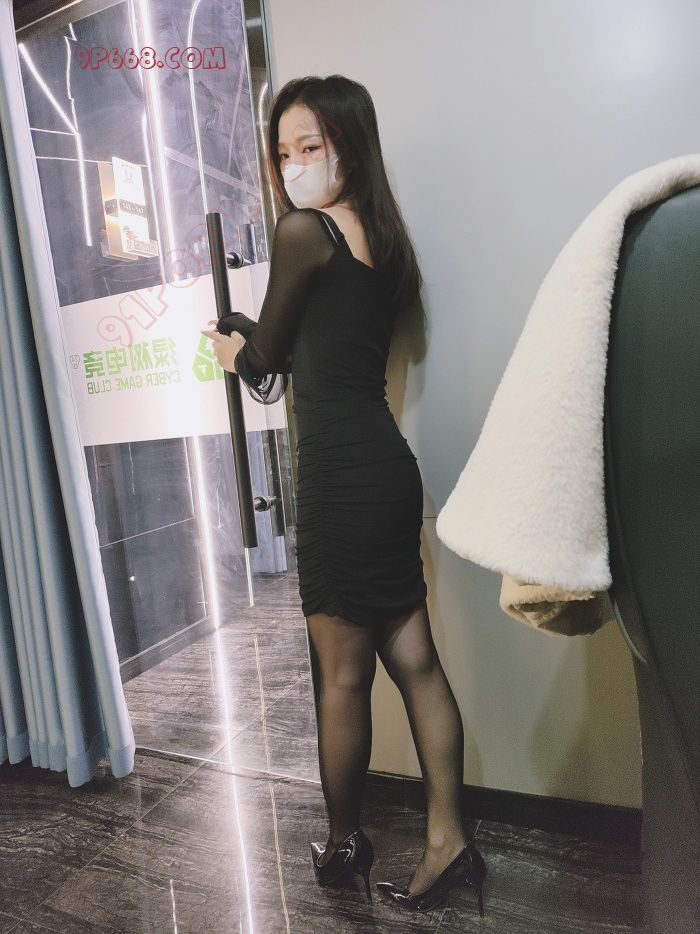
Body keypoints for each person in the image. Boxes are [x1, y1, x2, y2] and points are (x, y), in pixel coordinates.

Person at [202, 74, 486, 916]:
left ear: (347, 148)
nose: (292, 166)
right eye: (283, 152)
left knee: (340, 677)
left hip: (337, 475)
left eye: (310, 147)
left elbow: (267, 358)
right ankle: (451, 842)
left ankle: (343, 844)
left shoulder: (304, 232)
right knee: (416, 662)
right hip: (388, 468)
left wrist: (234, 350)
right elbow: (316, 349)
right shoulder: (383, 241)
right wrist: (258, 344)